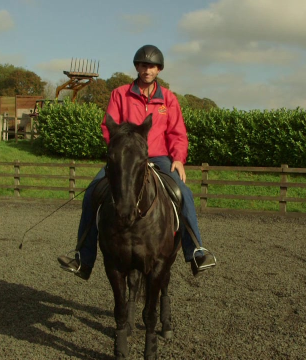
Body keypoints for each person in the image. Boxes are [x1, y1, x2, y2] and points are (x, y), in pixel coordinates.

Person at [57, 44, 217, 280]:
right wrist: (121, 151)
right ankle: (84, 258)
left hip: (159, 157)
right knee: (92, 193)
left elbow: (177, 133)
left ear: (159, 69)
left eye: (151, 66)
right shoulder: (119, 94)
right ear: (137, 67)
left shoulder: (169, 99)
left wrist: (179, 159)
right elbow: (108, 126)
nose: (146, 70)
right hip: (127, 160)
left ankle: (195, 252)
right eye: (142, 65)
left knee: (184, 193)